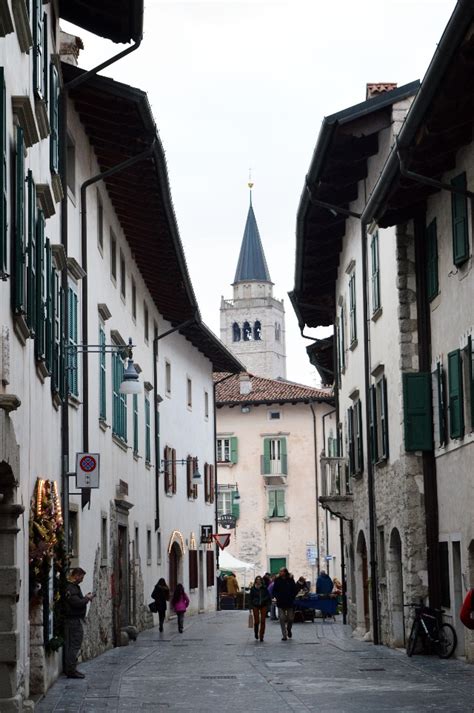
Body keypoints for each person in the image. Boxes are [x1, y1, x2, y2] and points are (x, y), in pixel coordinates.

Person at [64, 567, 95, 679]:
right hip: (73, 620)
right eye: (81, 577)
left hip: (74, 620)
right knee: (74, 645)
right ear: (76, 576)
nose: (82, 580)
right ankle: (71, 670)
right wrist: (87, 598)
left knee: (73, 645)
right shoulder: (71, 588)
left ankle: (71, 668)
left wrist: (85, 598)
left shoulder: (73, 587)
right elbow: (77, 603)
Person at [272, 567, 298, 641]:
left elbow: (295, 589)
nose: (280, 572)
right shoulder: (277, 580)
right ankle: (284, 635)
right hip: (280, 602)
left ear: (285, 572)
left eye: (281, 571)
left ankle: (289, 629)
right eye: (280, 571)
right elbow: (274, 590)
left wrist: (292, 596)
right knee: (282, 618)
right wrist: (276, 596)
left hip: (289, 602)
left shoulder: (290, 579)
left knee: (290, 618)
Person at [249, 575, 272, 642]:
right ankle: (256, 632)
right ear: (255, 580)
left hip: (263, 605)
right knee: (256, 621)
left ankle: (261, 635)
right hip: (255, 605)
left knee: (263, 621)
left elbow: (268, 596)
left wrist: (267, 602)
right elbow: (250, 598)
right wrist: (250, 607)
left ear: (261, 580)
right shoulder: (253, 588)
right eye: (257, 579)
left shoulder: (264, 588)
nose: (258, 580)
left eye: (259, 579)